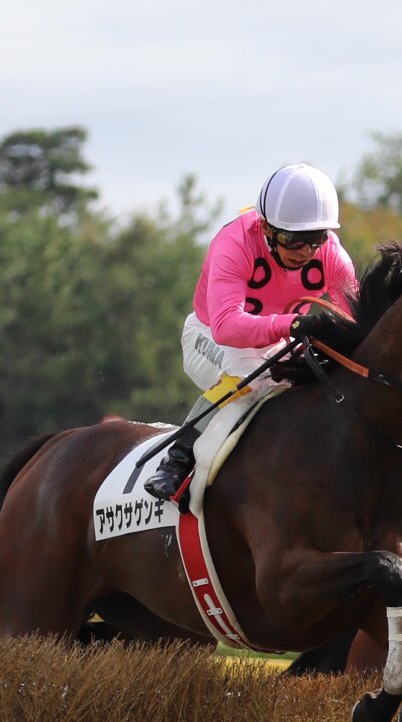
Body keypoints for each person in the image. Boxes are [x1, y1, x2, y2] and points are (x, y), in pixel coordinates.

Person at [143, 163, 360, 502]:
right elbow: (228, 326)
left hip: (276, 341)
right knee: (251, 375)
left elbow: (357, 322)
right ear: (267, 229)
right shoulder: (235, 243)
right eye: (293, 239)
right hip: (209, 334)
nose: (304, 252)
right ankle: (177, 459)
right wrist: (292, 325)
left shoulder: (331, 254)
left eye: (315, 239)